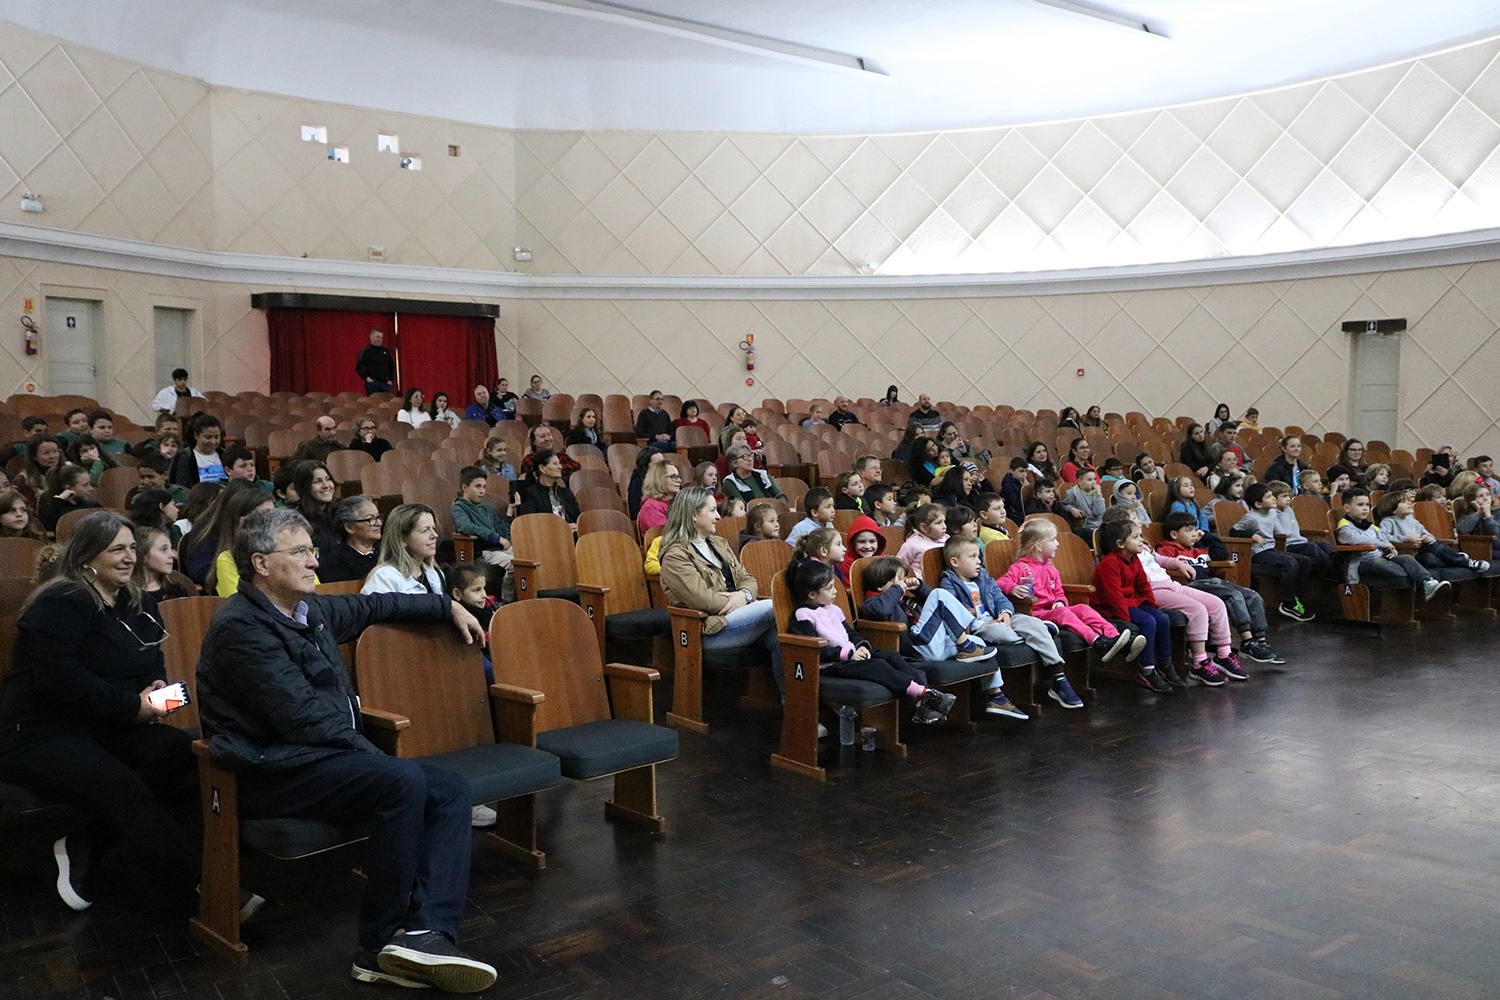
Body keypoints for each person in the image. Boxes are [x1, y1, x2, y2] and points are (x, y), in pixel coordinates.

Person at [195, 507, 496, 991]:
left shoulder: (307, 611)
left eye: (313, 550)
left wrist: (447, 606)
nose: (315, 561)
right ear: (261, 564)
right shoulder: (242, 628)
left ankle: (427, 931)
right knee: (402, 781)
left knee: (451, 788)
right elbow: (301, 719)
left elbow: (376, 607)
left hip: (322, 761)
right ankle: (378, 944)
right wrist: (372, 757)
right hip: (270, 772)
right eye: (299, 552)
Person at [0, 512, 223, 915]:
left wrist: (156, 688)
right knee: (116, 781)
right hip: (40, 733)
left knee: (176, 748)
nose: (128, 557)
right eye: (116, 549)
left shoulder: (136, 599)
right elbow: (60, 681)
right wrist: (132, 707)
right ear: (87, 557)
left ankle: (86, 843)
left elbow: (150, 656)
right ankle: (206, 886)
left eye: (132, 548)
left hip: (104, 724)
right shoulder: (61, 600)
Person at [787, 560, 955, 725]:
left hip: (851, 655)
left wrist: (861, 645)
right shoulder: (803, 616)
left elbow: (850, 633)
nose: (835, 592)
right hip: (831, 665)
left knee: (892, 657)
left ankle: (922, 701)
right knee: (877, 666)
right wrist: (848, 654)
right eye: (829, 588)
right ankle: (922, 693)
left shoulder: (833, 609)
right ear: (812, 594)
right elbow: (813, 650)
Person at [939, 535, 1076, 712]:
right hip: (980, 627)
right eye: (972, 557)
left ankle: (1059, 677)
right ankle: (1039, 633)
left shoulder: (984, 578)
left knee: (1031, 621)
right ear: (955, 562)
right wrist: (972, 614)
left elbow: (1000, 598)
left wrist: (1005, 612)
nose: (979, 561)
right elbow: (953, 611)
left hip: (1001, 618)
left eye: (979, 556)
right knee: (1001, 633)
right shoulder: (949, 583)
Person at [1104, 507, 1239, 685]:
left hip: (1171, 584)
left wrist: (1177, 563)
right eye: (1134, 519)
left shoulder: (1142, 547)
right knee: (1197, 609)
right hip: (1156, 590)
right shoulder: (1124, 556)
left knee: (1216, 604)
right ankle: (1199, 662)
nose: (1141, 523)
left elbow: (1158, 559)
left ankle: (1224, 654)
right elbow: (1134, 585)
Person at [657, 488, 781, 683]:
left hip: (742, 617)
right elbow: (703, 600)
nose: (718, 516)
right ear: (694, 515)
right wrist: (742, 600)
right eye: (713, 510)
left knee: (786, 641)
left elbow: (748, 579)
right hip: (712, 629)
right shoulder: (675, 556)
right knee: (778, 607)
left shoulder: (718, 543)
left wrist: (744, 596)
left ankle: (791, 705)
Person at [996, 518, 1142, 664]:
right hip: (1035, 614)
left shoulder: (1051, 569)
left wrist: (1060, 601)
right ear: (1039, 546)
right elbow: (1000, 583)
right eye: (1053, 540)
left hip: (1054, 611)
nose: (1057, 544)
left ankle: (1116, 639)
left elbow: (1059, 592)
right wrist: (1013, 588)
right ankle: (1098, 641)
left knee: (1083, 608)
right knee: (1063, 612)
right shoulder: (1020, 567)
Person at [1158, 512, 1284, 665]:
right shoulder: (1167, 550)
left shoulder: (1198, 550)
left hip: (1212, 582)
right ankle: (1247, 641)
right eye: (1189, 530)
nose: (1193, 534)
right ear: (1174, 534)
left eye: (1195, 530)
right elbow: (1163, 567)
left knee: (1252, 595)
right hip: (1193, 585)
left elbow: (1222, 553)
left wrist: (1205, 536)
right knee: (1233, 595)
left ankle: (1261, 641)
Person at [1092, 518, 1176, 693]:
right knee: (1148, 622)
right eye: (1136, 537)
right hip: (1111, 607)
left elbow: (1143, 585)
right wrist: (1126, 619)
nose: (1142, 541)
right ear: (1120, 543)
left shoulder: (1134, 559)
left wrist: (1152, 605)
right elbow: (1113, 596)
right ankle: (1147, 670)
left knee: (1162, 618)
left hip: (1131, 602)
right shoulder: (1110, 563)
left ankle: (1165, 664)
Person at [1336, 487, 1449, 601]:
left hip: (1381, 556)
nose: (1365, 508)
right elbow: (1357, 539)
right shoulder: (1345, 526)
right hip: (1363, 561)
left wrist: (1390, 550)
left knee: (1406, 558)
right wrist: (1382, 545)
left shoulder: (1371, 526)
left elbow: (1384, 539)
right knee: (1397, 570)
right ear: (1347, 507)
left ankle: (1428, 583)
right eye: (1360, 505)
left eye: (1367, 505)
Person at [1230, 483, 1316, 622]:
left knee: (1305, 561)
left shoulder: (1273, 512)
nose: (1273, 499)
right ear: (1258, 504)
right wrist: (1251, 535)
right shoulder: (1251, 517)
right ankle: (1288, 602)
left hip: (1271, 550)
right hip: (1259, 553)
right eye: (1269, 497)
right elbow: (1234, 531)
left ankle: (1295, 597)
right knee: (1289, 563)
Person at [1375, 488, 1487, 573]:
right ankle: (1461, 560)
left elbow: (1426, 533)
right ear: (1393, 509)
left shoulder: (1412, 520)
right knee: (1430, 559)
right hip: (1410, 554)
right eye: (1404, 502)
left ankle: (1465, 562)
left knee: (1434, 548)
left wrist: (1427, 537)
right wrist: (1405, 539)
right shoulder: (1388, 521)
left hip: (1424, 549)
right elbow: (1381, 537)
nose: (1410, 503)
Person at [451, 467, 514, 598]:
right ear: (465, 487)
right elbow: (465, 526)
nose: (482, 491)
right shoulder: (459, 507)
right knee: (515, 564)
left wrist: (510, 513)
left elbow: (503, 531)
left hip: (501, 549)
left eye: (484, 487)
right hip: (485, 552)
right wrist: (495, 538)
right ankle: (507, 600)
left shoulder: (486, 509)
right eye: (478, 486)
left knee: (529, 558)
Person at [209, 488, 279, 597]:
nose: (273, 523)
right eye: (265, 517)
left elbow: (314, 590)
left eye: (274, 516)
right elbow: (241, 602)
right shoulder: (227, 559)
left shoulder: (283, 552)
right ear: (243, 522)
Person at [321, 495, 383, 584]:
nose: (379, 523)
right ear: (350, 528)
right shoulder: (335, 562)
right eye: (370, 519)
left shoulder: (387, 552)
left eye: (378, 517)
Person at [515, 449, 580, 529]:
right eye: (555, 464)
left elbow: (578, 519)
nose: (560, 467)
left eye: (559, 464)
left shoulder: (566, 493)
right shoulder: (530, 494)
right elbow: (531, 524)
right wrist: (565, 527)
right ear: (542, 468)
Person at [133, 524, 193, 601]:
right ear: (143, 555)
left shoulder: (176, 590)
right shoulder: (127, 595)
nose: (172, 555)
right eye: (164, 549)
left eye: (171, 549)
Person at [39, 464, 103, 533]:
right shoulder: (53, 508)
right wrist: (58, 500)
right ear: (69, 488)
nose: (91, 489)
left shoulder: (92, 505)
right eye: (85, 485)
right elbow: (47, 527)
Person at [169, 413, 226, 487]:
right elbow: (182, 487)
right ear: (196, 435)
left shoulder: (224, 454)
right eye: (208, 437)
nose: (213, 442)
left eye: (216, 437)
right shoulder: (186, 457)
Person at [720, 445, 786, 505]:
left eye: (751, 455)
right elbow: (743, 506)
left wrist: (778, 507)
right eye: (745, 456)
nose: (750, 459)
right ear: (734, 463)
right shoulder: (730, 482)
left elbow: (781, 496)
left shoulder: (762, 475)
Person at [896, 502, 947, 575]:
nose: (944, 526)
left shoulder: (947, 539)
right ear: (923, 528)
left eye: (944, 522)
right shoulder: (911, 545)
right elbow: (898, 566)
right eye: (938, 523)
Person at [636, 462, 681, 536]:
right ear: (659, 479)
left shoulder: (678, 501)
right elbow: (665, 536)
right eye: (673, 476)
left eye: (678, 476)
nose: (679, 480)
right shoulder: (650, 507)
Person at [16, 434, 63, 504]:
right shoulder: (24, 479)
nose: (52, 456)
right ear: (34, 456)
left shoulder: (70, 468)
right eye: (46, 453)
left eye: (55, 451)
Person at [1062, 469, 1106, 542]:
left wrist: (1098, 495)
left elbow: (1099, 512)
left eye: (1094, 479)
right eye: (1089, 480)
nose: (1093, 482)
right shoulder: (1072, 492)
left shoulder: (1097, 493)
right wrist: (1071, 509)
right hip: (1084, 527)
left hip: (1099, 525)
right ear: (1080, 481)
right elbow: (1064, 505)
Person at [354, 329, 395, 395]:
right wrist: (367, 378)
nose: (379, 339)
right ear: (371, 337)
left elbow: (391, 365)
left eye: (381, 338)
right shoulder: (365, 351)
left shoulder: (386, 351)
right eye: (377, 337)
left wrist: (391, 380)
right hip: (372, 383)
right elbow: (358, 368)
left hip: (385, 383)